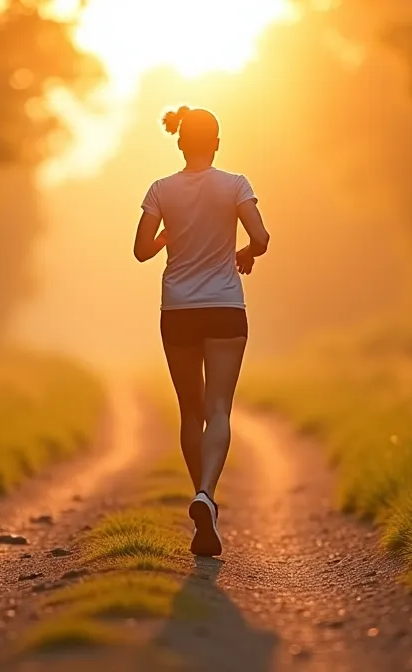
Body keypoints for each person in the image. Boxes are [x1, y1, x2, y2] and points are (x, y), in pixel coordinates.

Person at [132, 105, 271, 557]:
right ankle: (207, 495)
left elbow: (140, 251)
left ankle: (202, 499)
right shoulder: (235, 185)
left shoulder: (160, 190)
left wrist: (169, 236)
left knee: (190, 411)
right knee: (220, 410)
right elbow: (262, 238)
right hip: (226, 307)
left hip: (179, 310)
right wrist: (246, 252)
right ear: (216, 142)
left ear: (179, 142)